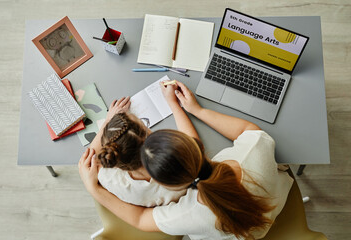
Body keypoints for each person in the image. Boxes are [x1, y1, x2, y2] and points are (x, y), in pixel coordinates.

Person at [79, 81, 294, 240]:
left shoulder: (187, 213)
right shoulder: (253, 152)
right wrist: (197, 110)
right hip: (275, 203)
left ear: (166, 183)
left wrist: (94, 190)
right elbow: (249, 130)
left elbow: (139, 220)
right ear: (195, 147)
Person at [90, 96, 195, 207]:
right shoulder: (177, 161)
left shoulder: (114, 182)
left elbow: (88, 158)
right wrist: (173, 102)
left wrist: (108, 120)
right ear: (150, 136)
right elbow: (192, 142)